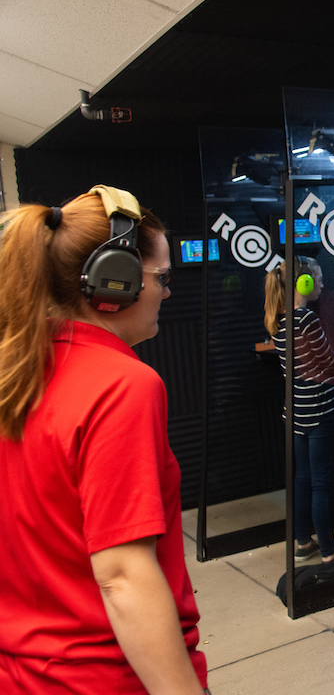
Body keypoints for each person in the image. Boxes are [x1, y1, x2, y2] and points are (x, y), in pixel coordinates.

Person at [0, 186, 208, 693]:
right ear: (116, 282)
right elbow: (122, 576)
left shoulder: (16, 370)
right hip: (106, 677)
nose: (166, 291)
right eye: (160, 278)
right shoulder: (122, 387)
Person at [265, 255, 334, 564]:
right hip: (318, 407)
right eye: (318, 278)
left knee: (303, 478)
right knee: (322, 483)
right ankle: (329, 553)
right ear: (304, 282)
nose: (323, 284)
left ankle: (303, 542)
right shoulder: (306, 318)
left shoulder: (279, 318)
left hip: (296, 410)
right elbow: (328, 359)